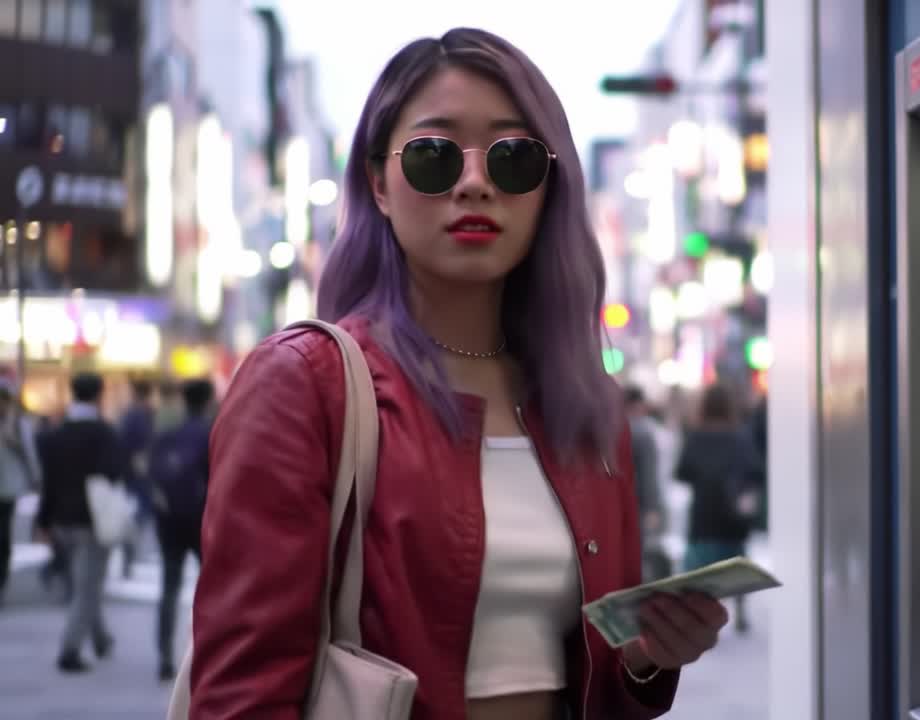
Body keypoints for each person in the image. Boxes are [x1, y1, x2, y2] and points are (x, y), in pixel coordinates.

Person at [190, 29, 728, 720]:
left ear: (547, 187)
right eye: (435, 155)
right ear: (379, 183)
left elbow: (596, 683)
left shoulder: (584, 408)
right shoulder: (303, 382)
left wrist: (649, 657)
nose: (475, 182)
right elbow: (242, 694)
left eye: (512, 158)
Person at [35, 372, 127, 672]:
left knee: (84, 581)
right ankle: (69, 650)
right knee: (88, 586)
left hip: (62, 519)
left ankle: (101, 639)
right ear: (99, 395)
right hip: (93, 519)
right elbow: (114, 472)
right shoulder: (104, 433)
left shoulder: (55, 434)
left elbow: (47, 482)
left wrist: (43, 520)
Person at [674, 383, 764, 634]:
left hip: (704, 515)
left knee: (700, 569)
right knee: (735, 563)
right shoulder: (739, 437)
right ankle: (740, 610)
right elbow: (756, 471)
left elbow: (682, 472)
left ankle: (704, 618)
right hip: (733, 517)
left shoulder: (696, 437)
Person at [148, 379, 213, 681]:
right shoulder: (212, 434)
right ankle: (207, 652)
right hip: (202, 519)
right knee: (212, 590)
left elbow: (153, 476)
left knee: (169, 586)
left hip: (169, 520)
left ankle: (163, 656)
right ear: (208, 400)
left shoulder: (166, 437)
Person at [0, 378, 40, 605]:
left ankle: (2, 578)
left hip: (9, 486)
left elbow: (29, 451)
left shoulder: (17, 424)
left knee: (4, 534)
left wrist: (35, 477)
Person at [624, 385, 669, 581]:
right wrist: (653, 508)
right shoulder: (643, 431)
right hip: (640, 503)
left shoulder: (615, 429)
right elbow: (649, 473)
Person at [117, 379, 155, 579]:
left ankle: (128, 557)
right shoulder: (144, 415)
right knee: (136, 517)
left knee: (133, 516)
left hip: (131, 473)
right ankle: (129, 557)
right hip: (140, 474)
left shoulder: (130, 416)